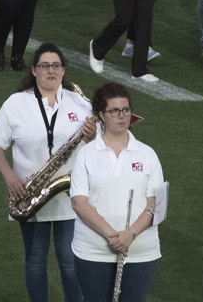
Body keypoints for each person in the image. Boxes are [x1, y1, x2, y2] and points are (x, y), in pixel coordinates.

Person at [0, 44, 95, 302]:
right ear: (34, 70)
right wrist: (9, 175)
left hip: (70, 194)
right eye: (44, 65)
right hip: (30, 194)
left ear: (63, 70)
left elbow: (99, 146)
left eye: (56, 65)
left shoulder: (79, 102)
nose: (51, 70)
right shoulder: (16, 103)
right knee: (35, 261)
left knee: (69, 261)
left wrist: (92, 137)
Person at [70, 82, 163, 302]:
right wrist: (113, 237)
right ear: (101, 115)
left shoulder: (148, 155)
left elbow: (155, 204)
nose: (122, 116)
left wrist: (130, 235)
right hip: (93, 251)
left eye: (126, 110)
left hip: (139, 252)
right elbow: (79, 203)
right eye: (114, 111)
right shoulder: (86, 155)